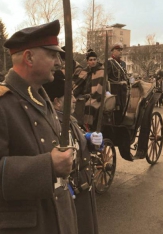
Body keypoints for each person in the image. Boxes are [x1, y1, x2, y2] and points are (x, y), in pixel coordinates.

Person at [0, 20, 78, 234]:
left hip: (54, 218)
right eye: (52, 55)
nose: (59, 62)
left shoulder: (40, 97)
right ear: (29, 57)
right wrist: (48, 166)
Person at [43, 70, 101, 234]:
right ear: (57, 102)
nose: (75, 100)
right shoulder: (54, 125)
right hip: (71, 194)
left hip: (84, 192)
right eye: (70, 97)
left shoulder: (69, 120)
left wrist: (88, 140)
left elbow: (77, 142)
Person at [73, 49, 105, 131]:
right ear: (87, 61)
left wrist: (90, 96)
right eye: (90, 60)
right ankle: (76, 126)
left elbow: (99, 89)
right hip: (84, 95)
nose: (93, 62)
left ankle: (88, 128)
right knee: (73, 104)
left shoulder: (101, 71)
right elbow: (78, 85)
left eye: (94, 59)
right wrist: (72, 94)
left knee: (89, 106)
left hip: (96, 97)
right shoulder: (85, 71)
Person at [107, 42, 129, 124]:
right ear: (113, 51)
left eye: (121, 50)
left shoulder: (123, 64)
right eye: (118, 50)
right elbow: (106, 78)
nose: (120, 52)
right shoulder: (109, 62)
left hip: (122, 91)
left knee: (122, 109)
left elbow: (124, 76)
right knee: (116, 111)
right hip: (114, 91)